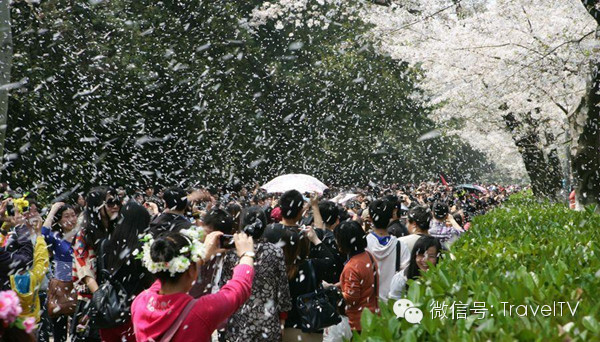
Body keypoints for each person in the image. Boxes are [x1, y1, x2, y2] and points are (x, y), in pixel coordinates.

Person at [130, 231, 255, 342]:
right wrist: (246, 254)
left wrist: (197, 260)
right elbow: (239, 288)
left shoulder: (140, 302)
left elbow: (163, 277)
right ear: (191, 270)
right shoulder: (200, 312)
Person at [217, 206, 292, 342]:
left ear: (242, 225)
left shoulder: (233, 253)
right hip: (267, 320)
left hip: (240, 320)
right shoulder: (275, 252)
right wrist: (283, 316)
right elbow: (282, 288)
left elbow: (224, 286)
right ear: (264, 226)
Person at [264, 222, 335, 342]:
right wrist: (315, 239)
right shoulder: (311, 266)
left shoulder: (274, 268)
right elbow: (330, 262)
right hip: (311, 328)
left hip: (282, 329)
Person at [71, 186, 122, 342]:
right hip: (92, 302)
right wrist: (102, 299)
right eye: (110, 202)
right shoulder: (84, 234)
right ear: (97, 206)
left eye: (118, 201)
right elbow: (85, 272)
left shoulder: (118, 230)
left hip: (117, 301)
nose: (116, 205)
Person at [99, 201, 154, 341]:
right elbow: (149, 281)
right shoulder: (142, 248)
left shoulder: (106, 244)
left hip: (109, 311)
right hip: (134, 311)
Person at [42, 202, 78, 342]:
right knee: (59, 332)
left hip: (80, 285)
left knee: (79, 330)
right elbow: (43, 233)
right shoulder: (56, 237)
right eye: (66, 216)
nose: (71, 219)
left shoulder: (82, 235)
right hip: (61, 288)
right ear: (60, 220)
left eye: (73, 215)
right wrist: (53, 210)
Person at [335, 221, 379, 332]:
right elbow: (363, 282)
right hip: (373, 315)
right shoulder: (368, 255)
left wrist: (332, 291)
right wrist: (339, 285)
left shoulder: (352, 266)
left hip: (358, 322)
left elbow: (351, 299)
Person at [365, 199, 410, 302]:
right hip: (393, 304)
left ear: (370, 218)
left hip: (370, 305)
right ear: (391, 217)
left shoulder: (363, 245)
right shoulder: (400, 246)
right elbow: (406, 275)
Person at [389, 235, 442, 299]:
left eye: (431, 256)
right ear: (414, 256)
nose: (425, 260)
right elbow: (394, 304)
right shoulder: (402, 279)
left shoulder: (442, 277)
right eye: (421, 255)